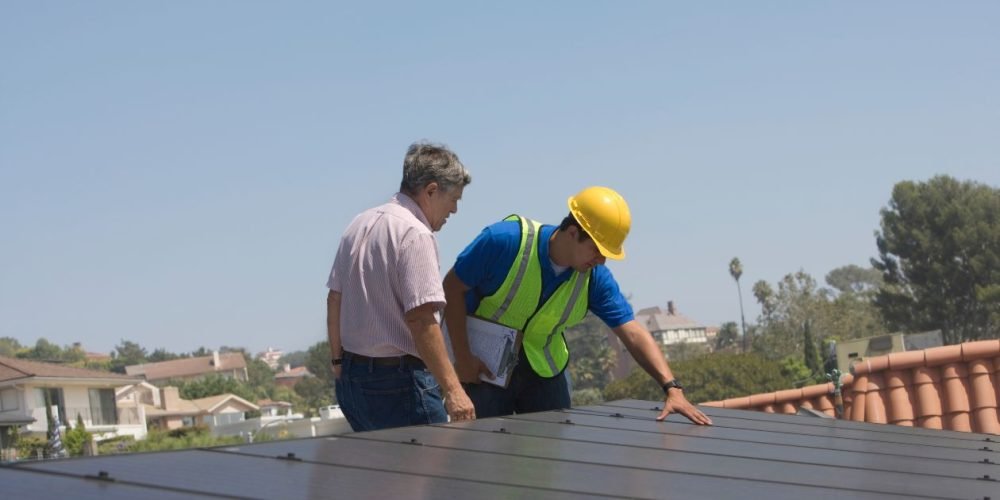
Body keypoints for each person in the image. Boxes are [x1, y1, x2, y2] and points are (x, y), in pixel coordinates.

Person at [443, 186, 712, 425]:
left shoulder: (595, 278)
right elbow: (452, 288)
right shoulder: (504, 241)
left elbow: (631, 331)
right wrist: (463, 359)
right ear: (573, 232)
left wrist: (672, 388)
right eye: (597, 250)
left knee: (547, 456)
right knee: (482, 450)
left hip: (544, 372)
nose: (602, 261)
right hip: (484, 368)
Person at [326, 142, 476, 431]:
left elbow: (334, 299)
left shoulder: (358, 224)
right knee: (435, 461)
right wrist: (454, 390)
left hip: (352, 381)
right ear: (431, 191)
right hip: (399, 386)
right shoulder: (415, 234)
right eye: (453, 199)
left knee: (381, 463)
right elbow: (421, 319)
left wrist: (338, 363)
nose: (455, 209)